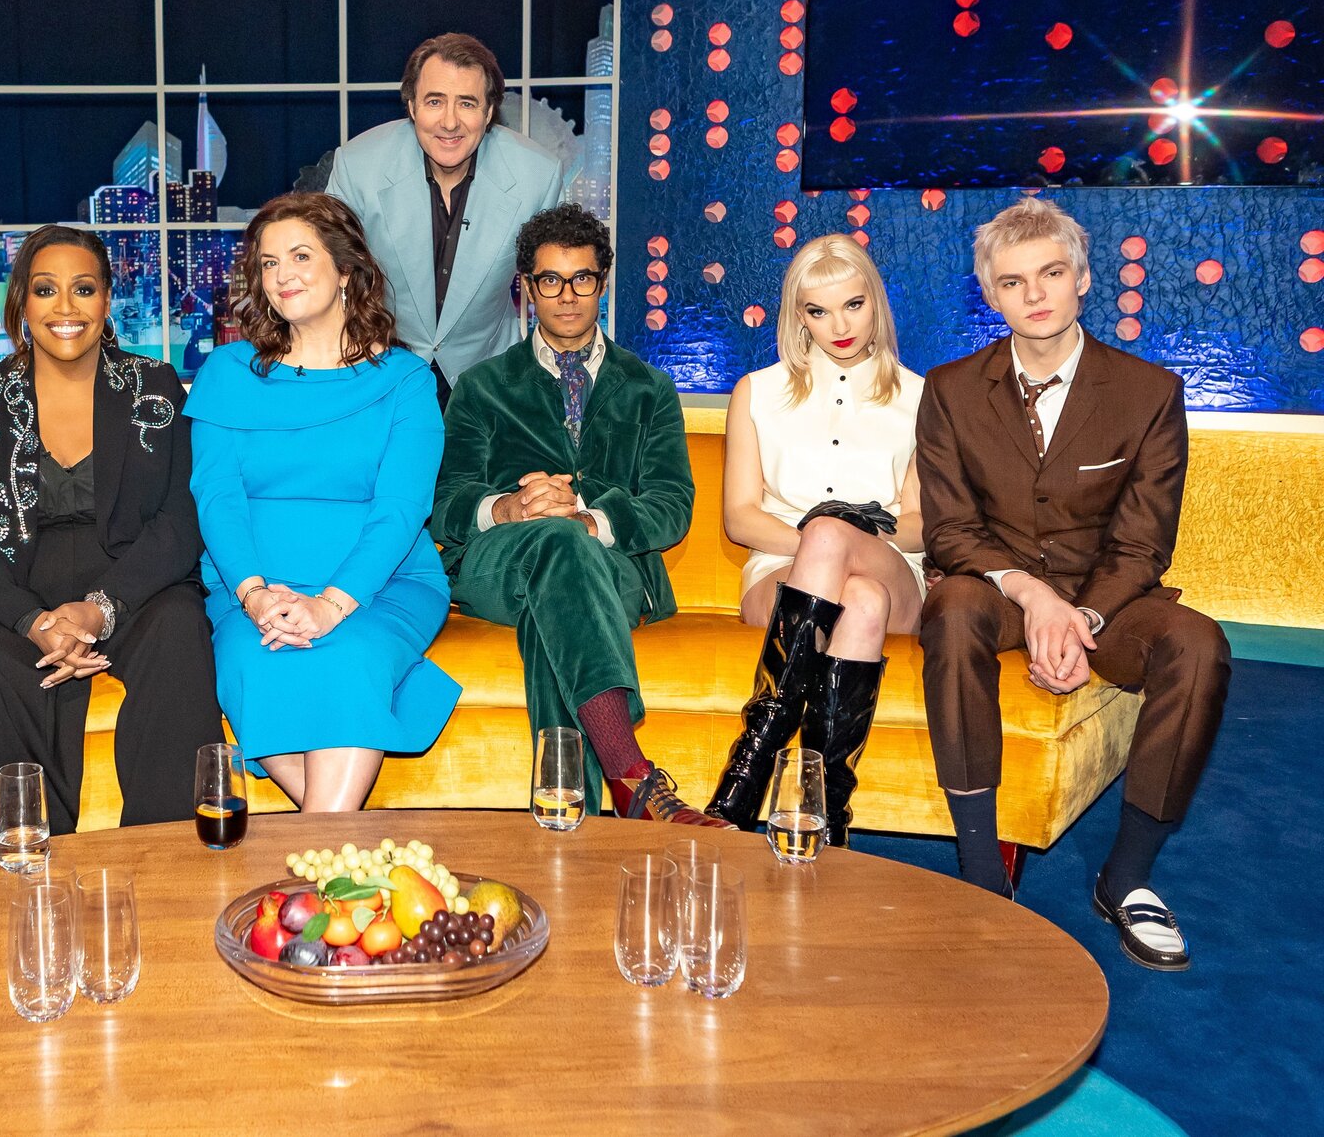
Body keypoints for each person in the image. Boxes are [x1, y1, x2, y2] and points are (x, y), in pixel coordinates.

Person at [917, 196, 1229, 970]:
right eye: (1013, 282)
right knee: (950, 609)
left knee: (1199, 646)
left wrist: (1081, 616)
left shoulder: (1150, 392)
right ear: (990, 295)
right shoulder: (950, 390)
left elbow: (1143, 544)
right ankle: (982, 874)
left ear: (1083, 277)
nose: (1035, 294)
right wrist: (1033, 595)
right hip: (998, 589)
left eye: (1052, 273)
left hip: (1108, 596)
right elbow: (951, 530)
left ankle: (1127, 878)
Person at [0, 226, 219, 842]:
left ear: (107, 300)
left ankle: (169, 858)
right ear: (21, 304)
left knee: (179, 629)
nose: (65, 307)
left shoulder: (154, 384)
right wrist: (33, 620)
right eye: (45, 290)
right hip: (8, 588)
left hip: (130, 585)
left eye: (83, 289)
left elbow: (179, 518)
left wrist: (99, 609)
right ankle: (11, 861)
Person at [433, 204, 724, 827]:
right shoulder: (480, 387)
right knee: (555, 548)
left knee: (560, 583)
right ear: (527, 287)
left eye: (582, 278)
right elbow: (445, 505)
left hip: (613, 567)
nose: (566, 296)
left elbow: (672, 506)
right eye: (550, 280)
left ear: (603, 282)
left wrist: (591, 522)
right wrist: (509, 507)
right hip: (498, 566)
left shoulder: (649, 388)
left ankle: (571, 821)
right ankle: (632, 776)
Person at [186, 192, 461, 811]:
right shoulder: (227, 373)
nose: (282, 274)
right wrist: (255, 596)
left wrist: (331, 607)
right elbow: (218, 498)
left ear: (345, 270)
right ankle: (341, 857)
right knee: (254, 665)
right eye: (268, 262)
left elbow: (401, 508)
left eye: (301, 256)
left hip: (380, 588)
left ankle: (320, 857)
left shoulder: (405, 380)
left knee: (351, 659)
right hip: (251, 591)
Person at [702, 235, 927, 846]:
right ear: (798, 315)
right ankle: (823, 814)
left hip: (893, 568)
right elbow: (740, 519)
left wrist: (853, 530)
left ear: (875, 301)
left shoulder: (920, 397)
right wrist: (819, 545)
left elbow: (918, 526)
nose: (840, 326)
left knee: (843, 548)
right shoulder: (757, 391)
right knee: (861, 601)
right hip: (779, 572)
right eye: (818, 311)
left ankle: (753, 761)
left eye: (853, 305)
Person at [328, 31, 564, 402]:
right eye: (435, 101)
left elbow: (560, 287)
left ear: (489, 112)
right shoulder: (358, 166)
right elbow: (327, 276)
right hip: (380, 370)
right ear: (412, 107)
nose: (450, 122)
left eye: (467, 103)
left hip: (491, 377)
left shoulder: (538, 175)